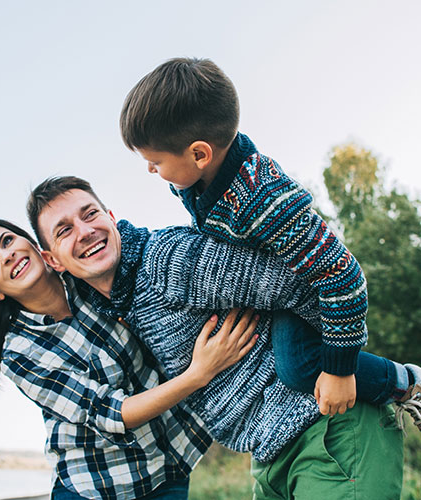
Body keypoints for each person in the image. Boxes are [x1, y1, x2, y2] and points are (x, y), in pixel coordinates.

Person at [27, 176, 404, 499]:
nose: (85, 230)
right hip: (270, 455)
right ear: (54, 260)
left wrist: (334, 365)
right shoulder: (113, 309)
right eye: (64, 230)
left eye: (90, 214)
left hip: (327, 428)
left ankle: (405, 383)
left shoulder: (166, 262)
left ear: (110, 217)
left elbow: (303, 280)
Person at [119, 56, 421, 421]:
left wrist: (340, 370)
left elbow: (343, 275)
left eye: (155, 161)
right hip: (271, 291)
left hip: (313, 298)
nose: (151, 169)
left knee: (298, 365)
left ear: (200, 154)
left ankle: (407, 382)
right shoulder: (198, 183)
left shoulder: (261, 198)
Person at [0, 218, 260, 500]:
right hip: (95, 485)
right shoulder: (18, 351)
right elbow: (109, 413)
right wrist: (198, 374)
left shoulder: (88, 275)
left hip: (169, 465)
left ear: (35, 244)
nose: (6, 255)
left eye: (8, 241)